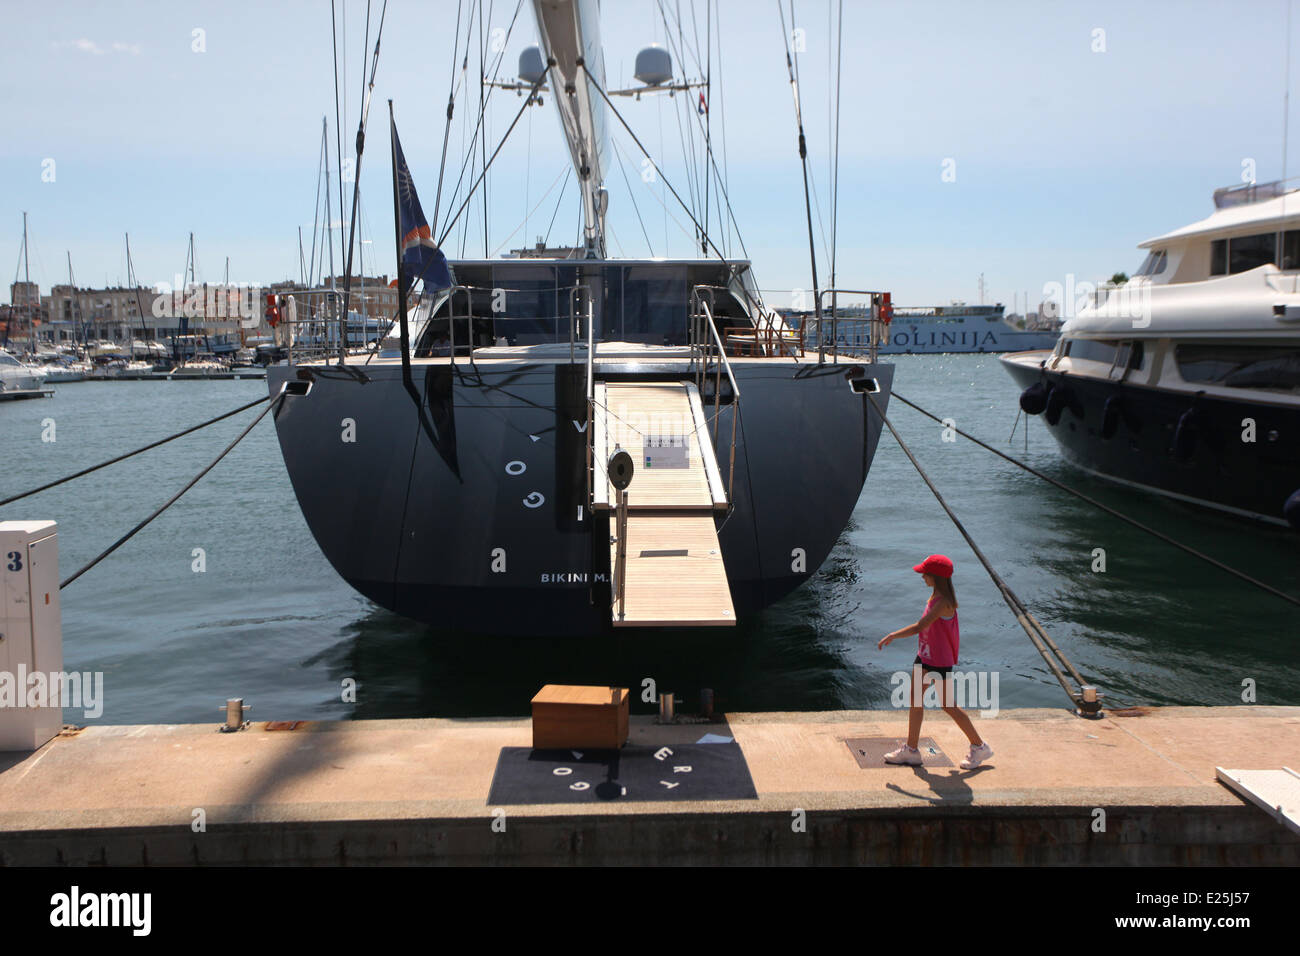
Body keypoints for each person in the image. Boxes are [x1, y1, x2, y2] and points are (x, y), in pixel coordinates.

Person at [877, 554, 993, 769]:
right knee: (916, 700)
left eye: (925, 573)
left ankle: (979, 746)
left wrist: (893, 634)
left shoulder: (944, 603)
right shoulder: (936, 596)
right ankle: (911, 751)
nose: (922, 576)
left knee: (948, 705)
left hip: (938, 662)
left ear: (936, 577)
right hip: (925, 656)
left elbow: (920, 626)